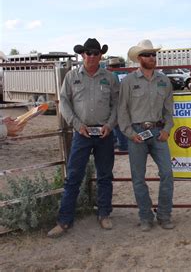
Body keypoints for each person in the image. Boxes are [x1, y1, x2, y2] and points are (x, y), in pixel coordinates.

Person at [47, 38, 119, 238]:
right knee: (73, 178)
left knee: (105, 176)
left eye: (96, 53)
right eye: (89, 53)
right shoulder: (71, 77)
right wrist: (78, 126)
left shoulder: (110, 78)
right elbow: (64, 104)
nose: (92, 56)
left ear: (101, 55)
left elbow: (117, 105)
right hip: (82, 134)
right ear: (82, 55)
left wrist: (109, 125)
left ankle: (104, 214)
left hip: (104, 133)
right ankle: (64, 221)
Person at [118, 39, 175, 232]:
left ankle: (164, 215)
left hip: (159, 132)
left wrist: (167, 129)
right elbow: (122, 110)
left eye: (153, 54)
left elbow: (169, 110)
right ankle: (145, 216)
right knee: (138, 177)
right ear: (139, 58)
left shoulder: (164, 81)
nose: (152, 58)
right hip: (137, 133)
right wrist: (130, 133)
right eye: (148, 55)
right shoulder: (128, 82)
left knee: (167, 173)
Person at [108, 57, 129, 152]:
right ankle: (123, 143)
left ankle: (122, 144)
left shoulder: (112, 75)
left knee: (116, 124)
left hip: (117, 100)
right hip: (127, 100)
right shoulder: (126, 73)